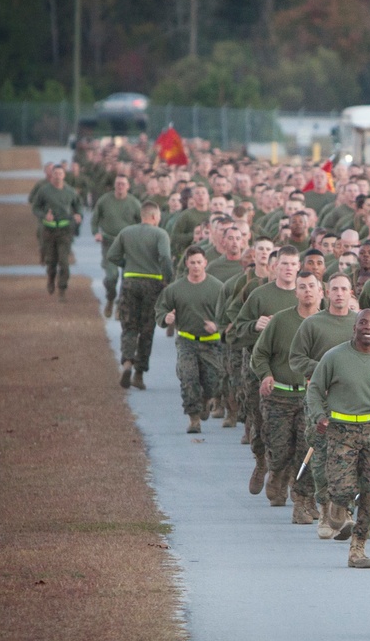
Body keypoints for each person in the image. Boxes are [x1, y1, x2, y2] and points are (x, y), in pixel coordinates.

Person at [306, 309, 370, 568]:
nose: (368, 327)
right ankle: (337, 507)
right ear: (354, 327)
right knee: (342, 489)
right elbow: (315, 389)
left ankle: (358, 548)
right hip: (341, 431)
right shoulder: (334, 357)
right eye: (363, 322)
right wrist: (319, 415)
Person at [289, 273, 361, 539]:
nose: (339, 293)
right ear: (327, 292)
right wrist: (324, 370)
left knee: (350, 459)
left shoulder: (360, 324)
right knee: (320, 457)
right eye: (335, 289)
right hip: (320, 400)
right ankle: (323, 510)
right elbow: (296, 358)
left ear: (351, 293)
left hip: (352, 403)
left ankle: (345, 511)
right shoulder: (312, 324)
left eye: (344, 289)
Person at [251, 271, 324, 518]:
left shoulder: (326, 324)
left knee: (308, 450)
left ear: (320, 291)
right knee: (280, 449)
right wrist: (266, 375)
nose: (307, 291)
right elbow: (259, 354)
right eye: (302, 287)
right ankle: (277, 474)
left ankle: (304, 498)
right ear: (296, 292)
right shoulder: (281, 321)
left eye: (312, 286)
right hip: (280, 396)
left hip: (312, 398)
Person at [233, 246, 301, 498]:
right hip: (259, 370)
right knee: (262, 424)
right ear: (275, 266)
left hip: (293, 375)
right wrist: (254, 325)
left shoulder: (305, 296)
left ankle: (284, 478)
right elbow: (237, 331)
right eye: (284, 264)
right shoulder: (260, 296)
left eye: (293, 264)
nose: (288, 268)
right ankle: (262, 461)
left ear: (299, 267)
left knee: (293, 432)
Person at [154, 246, 225, 433]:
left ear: (205, 263)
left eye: (199, 262)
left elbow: (229, 315)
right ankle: (193, 419)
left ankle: (206, 400)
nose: (196, 266)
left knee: (213, 382)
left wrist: (217, 325)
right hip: (186, 341)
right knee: (188, 377)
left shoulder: (218, 288)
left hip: (212, 342)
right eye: (192, 262)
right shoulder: (175, 289)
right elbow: (161, 309)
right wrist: (166, 318)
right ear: (186, 264)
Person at [106, 201, 175, 389]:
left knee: (129, 326)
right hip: (153, 284)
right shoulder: (160, 234)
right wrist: (168, 278)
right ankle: (139, 374)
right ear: (154, 216)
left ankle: (127, 362)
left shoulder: (126, 232)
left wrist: (127, 264)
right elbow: (165, 257)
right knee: (147, 329)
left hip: (130, 281)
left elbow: (112, 256)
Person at [92, 174, 142, 317]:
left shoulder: (134, 203)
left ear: (128, 186)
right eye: (118, 183)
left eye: (123, 184)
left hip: (128, 244)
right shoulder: (105, 200)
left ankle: (121, 305)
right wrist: (96, 233)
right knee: (111, 276)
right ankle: (110, 298)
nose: (120, 186)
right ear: (114, 185)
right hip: (109, 242)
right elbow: (95, 219)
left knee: (127, 277)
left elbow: (142, 222)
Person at [31, 164, 82, 301]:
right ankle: (50, 278)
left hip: (65, 230)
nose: (58, 176)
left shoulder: (70, 191)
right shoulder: (44, 191)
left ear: (64, 175)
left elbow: (78, 206)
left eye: (60, 174)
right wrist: (44, 216)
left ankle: (62, 289)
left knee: (64, 262)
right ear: (51, 175)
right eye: (56, 174)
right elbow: (35, 207)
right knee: (51, 261)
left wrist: (78, 215)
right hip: (49, 230)